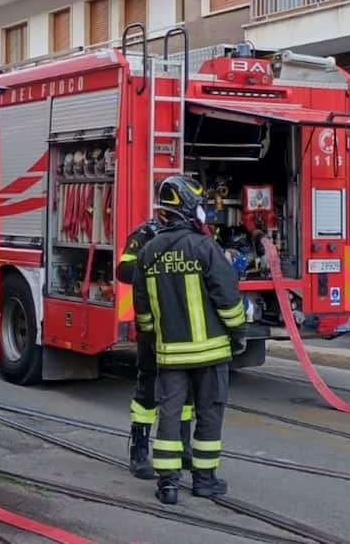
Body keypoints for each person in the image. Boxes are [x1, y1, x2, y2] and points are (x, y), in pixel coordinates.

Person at [132, 176, 245, 505]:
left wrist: (152, 345)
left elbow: (143, 313)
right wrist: (238, 335)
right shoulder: (204, 247)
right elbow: (227, 298)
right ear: (187, 210)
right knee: (209, 413)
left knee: (169, 414)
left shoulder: (148, 253)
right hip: (211, 355)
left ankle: (167, 484)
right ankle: (204, 481)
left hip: (169, 356)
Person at [117, 212, 194, 481]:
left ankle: (184, 448)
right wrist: (154, 261)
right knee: (148, 389)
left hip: (183, 328)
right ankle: (139, 451)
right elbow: (124, 269)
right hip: (153, 326)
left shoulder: (195, 234)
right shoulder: (146, 233)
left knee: (187, 392)